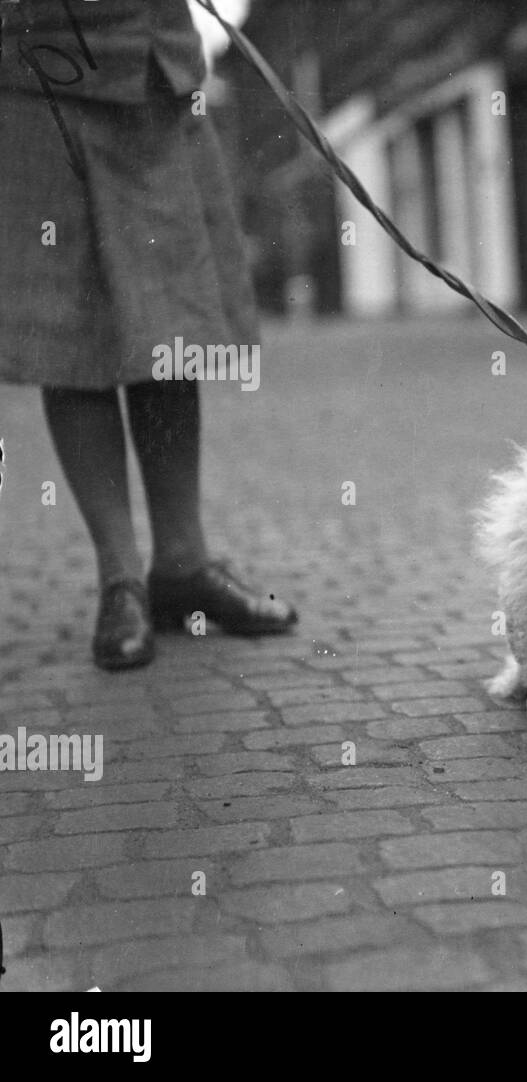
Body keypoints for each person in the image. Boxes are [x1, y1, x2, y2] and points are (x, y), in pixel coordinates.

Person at [0, 0, 297, 671]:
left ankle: (183, 565)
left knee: (172, 320)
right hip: (38, 68)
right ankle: (120, 579)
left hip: (154, 69)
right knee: (69, 325)